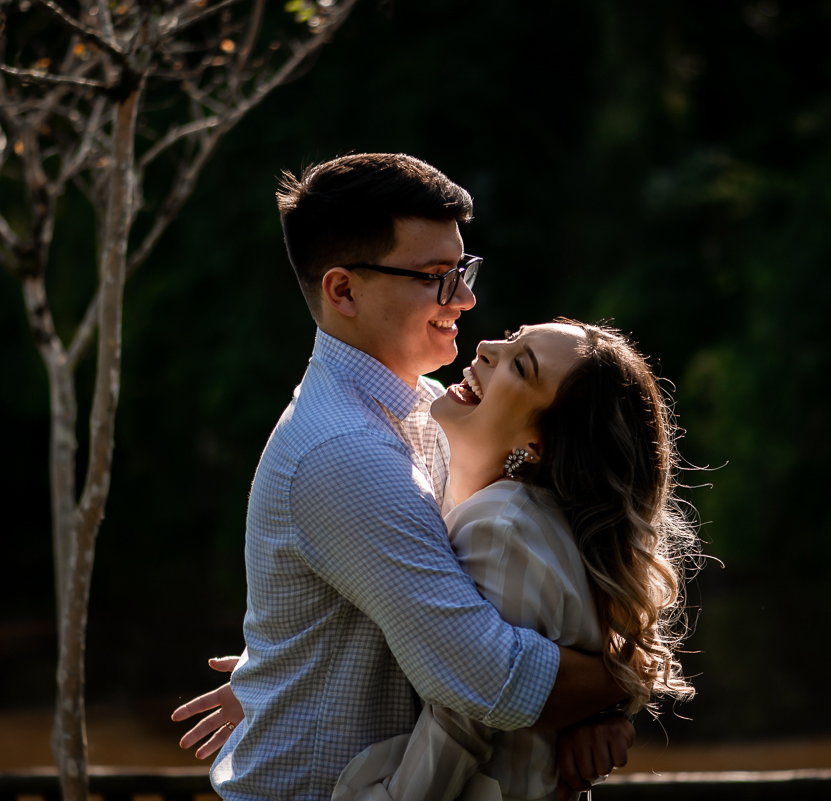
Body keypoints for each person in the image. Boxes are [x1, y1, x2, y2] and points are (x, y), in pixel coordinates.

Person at [171, 154, 635, 801]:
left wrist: (600, 713)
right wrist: (629, 677)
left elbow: (595, 546)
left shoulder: (427, 407)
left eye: (463, 271)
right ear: (343, 291)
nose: (466, 299)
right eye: (435, 277)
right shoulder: (346, 452)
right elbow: (487, 678)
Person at [332, 320, 699, 801]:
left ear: (537, 446)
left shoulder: (499, 529)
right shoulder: (512, 513)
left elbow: (466, 714)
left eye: (519, 365)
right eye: (510, 338)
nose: (486, 347)